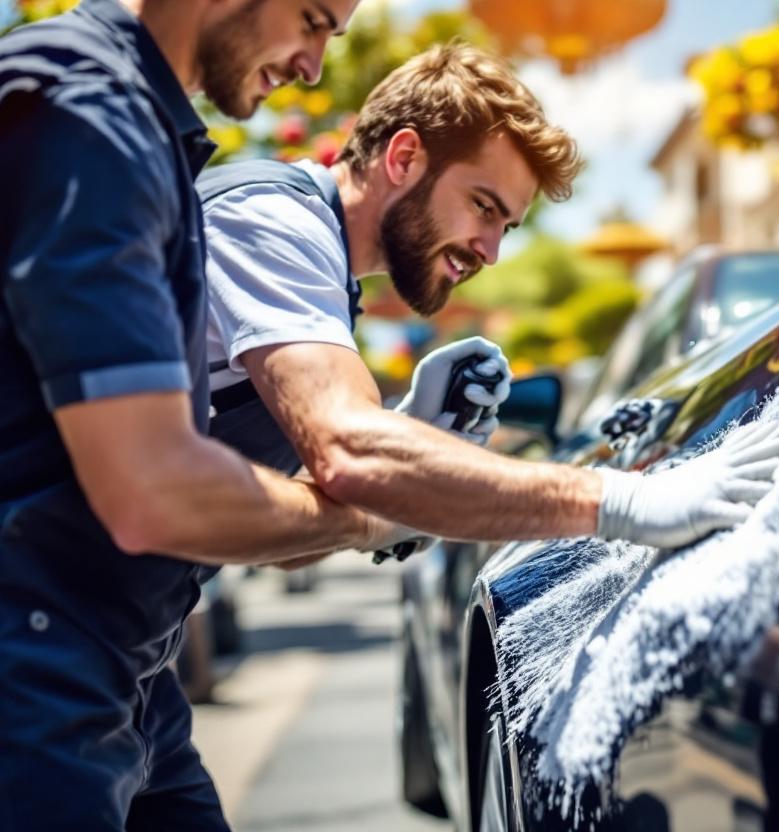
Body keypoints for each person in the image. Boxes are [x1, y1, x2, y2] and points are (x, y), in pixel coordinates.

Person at [0, 1, 411, 829]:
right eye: (313, 18)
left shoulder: (144, 126)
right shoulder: (90, 111)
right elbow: (158, 489)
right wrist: (374, 512)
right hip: (33, 667)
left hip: (123, 673)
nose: (313, 65)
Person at [198, 42, 779, 555]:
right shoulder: (272, 222)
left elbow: (274, 532)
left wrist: (409, 447)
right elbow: (348, 451)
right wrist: (623, 499)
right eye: (484, 206)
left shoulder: (324, 272)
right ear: (404, 159)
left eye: (506, 226)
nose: (490, 251)